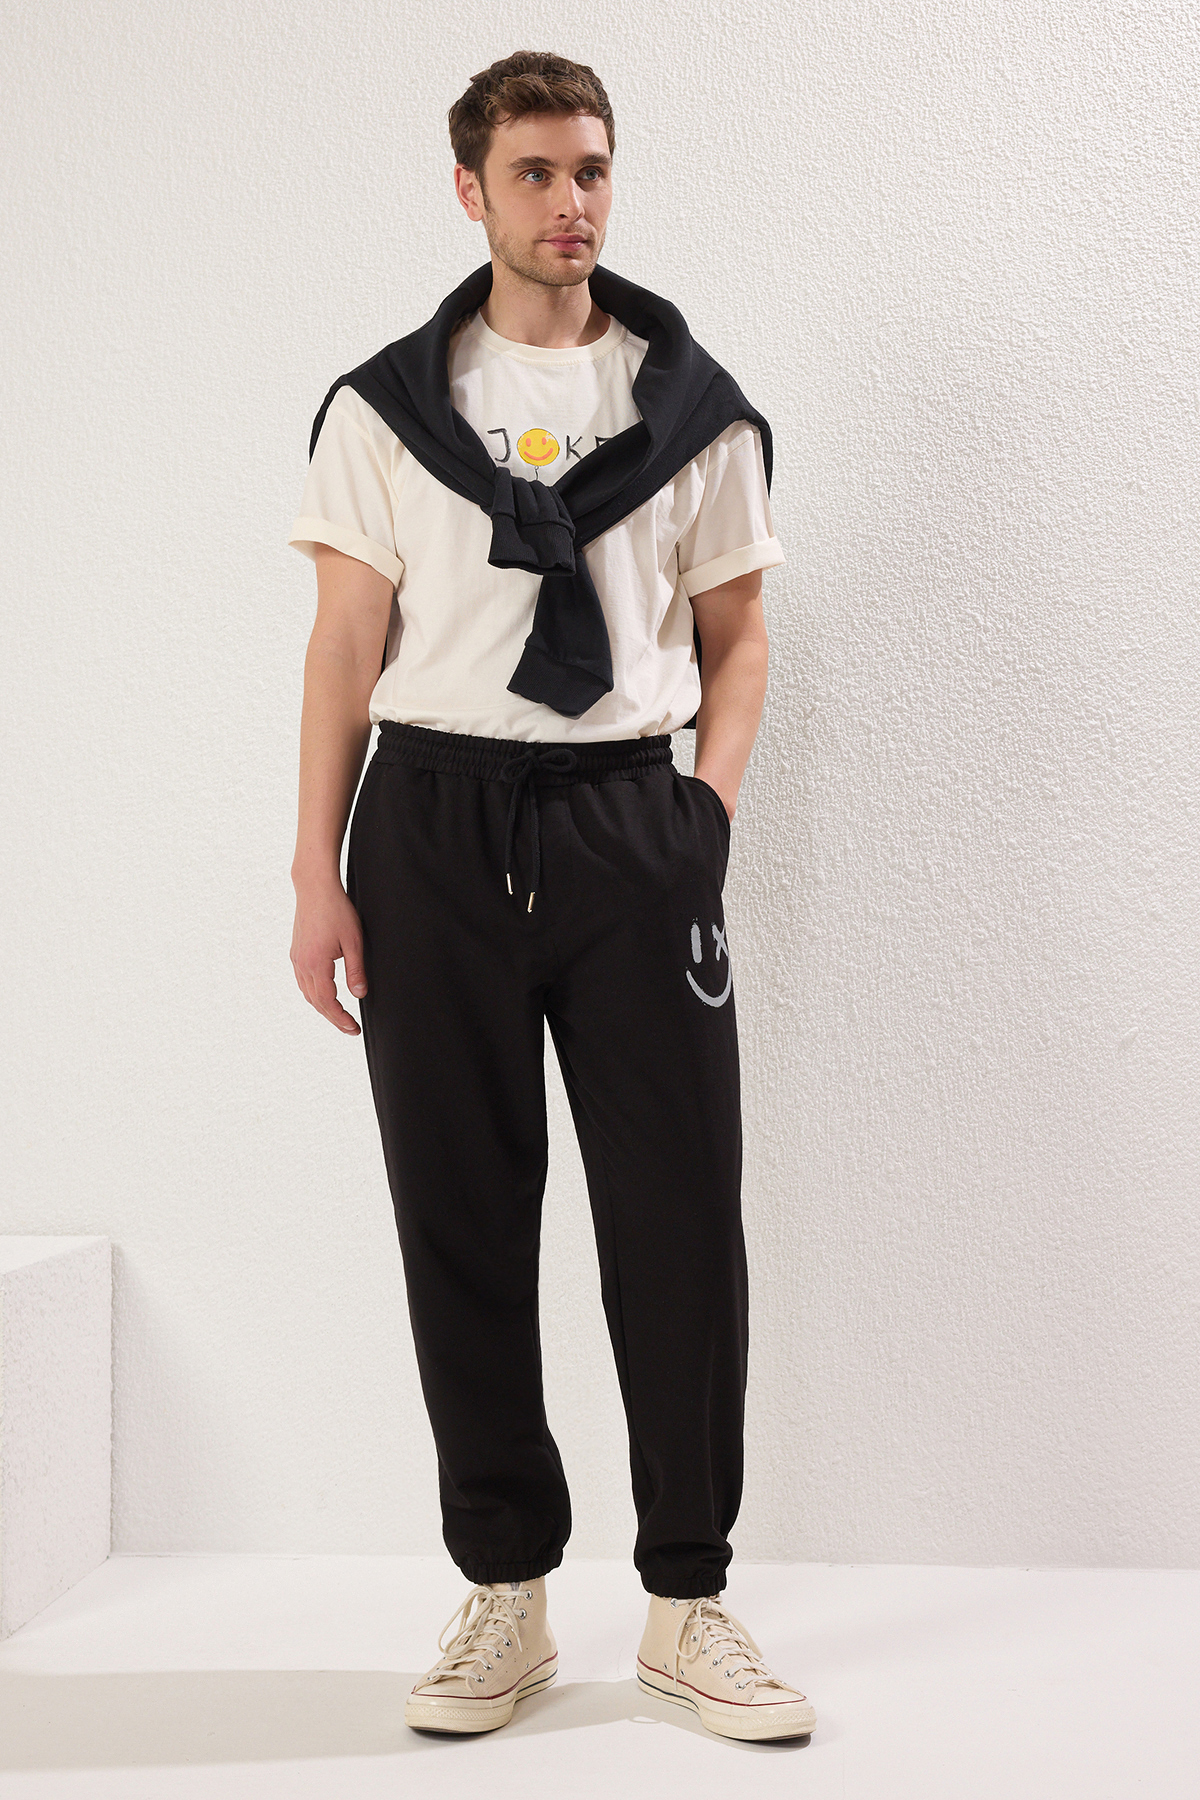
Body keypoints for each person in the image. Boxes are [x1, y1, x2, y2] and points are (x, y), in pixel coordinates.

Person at [287, 49, 816, 1744]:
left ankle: (688, 1601)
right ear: (471, 191)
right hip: (431, 828)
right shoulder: (384, 413)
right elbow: (345, 649)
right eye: (534, 172)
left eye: (591, 169)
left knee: (680, 1212)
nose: (569, 201)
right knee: (459, 1209)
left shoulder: (691, 409)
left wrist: (698, 820)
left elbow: (738, 640)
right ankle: (505, 1589)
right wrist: (316, 873)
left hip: (627, 828)